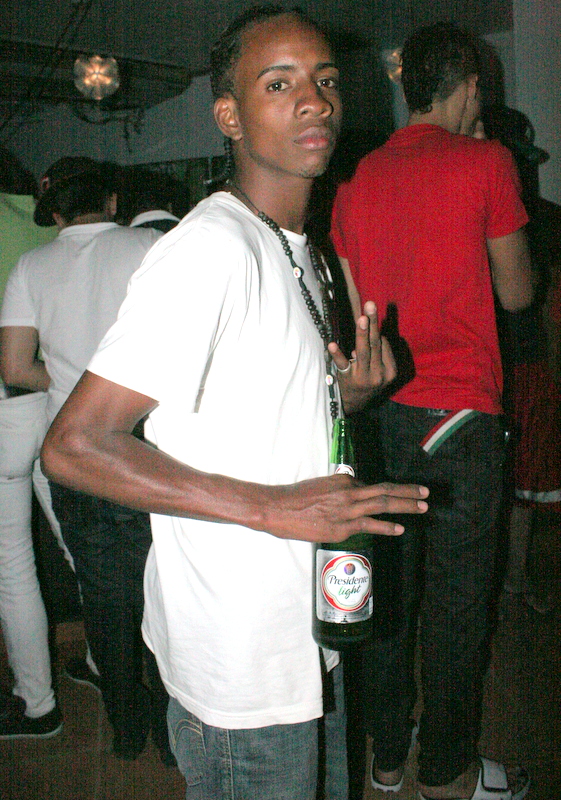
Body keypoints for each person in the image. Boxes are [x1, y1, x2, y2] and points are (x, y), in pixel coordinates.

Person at [41, 6, 430, 799]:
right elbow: (74, 445)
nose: (313, 100)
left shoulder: (298, 249)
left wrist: (346, 396)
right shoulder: (210, 250)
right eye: (278, 84)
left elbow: (256, 412)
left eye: (325, 80)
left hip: (302, 628)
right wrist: (273, 507)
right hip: (240, 659)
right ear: (228, 116)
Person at [331, 22, 533, 800]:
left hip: (381, 415)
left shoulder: (355, 181)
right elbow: (516, 293)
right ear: (472, 83)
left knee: (388, 597)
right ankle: (446, 771)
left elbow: (359, 314)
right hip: (460, 418)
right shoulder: (487, 161)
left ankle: (385, 759)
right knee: (455, 606)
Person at [0, 157, 171, 760]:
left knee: (102, 595)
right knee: (162, 589)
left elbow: (15, 366)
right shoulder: (148, 247)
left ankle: (126, 729)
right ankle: (172, 736)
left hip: (71, 453)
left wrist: (76, 384)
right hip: (142, 446)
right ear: (113, 200)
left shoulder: (31, 267)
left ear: (56, 211)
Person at [0, 146, 63, 738]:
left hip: (6, 404)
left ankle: (38, 704)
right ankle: (109, 664)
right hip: (53, 397)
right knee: (74, 544)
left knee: (12, 562)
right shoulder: (45, 222)